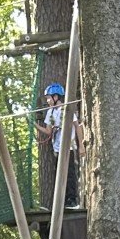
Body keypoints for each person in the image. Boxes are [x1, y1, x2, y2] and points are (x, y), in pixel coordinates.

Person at [39, 82, 81, 210]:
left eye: (49, 98)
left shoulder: (66, 110)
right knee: (60, 174)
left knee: (69, 174)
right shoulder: (51, 112)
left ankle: (72, 200)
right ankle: (63, 201)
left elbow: (77, 127)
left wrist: (81, 146)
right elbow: (49, 131)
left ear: (56, 97)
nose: (47, 100)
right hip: (57, 148)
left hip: (68, 147)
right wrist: (34, 125)